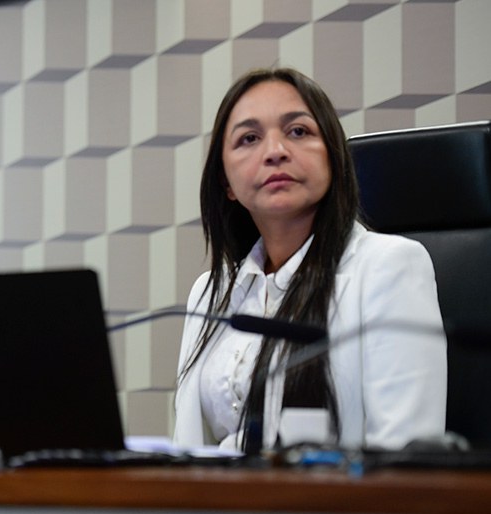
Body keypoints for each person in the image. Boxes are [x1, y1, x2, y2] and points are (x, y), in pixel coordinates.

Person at [173, 68, 446, 453]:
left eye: (298, 131)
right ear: (226, 183)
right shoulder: (209, 293)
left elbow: (405, 457)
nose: (275, 151)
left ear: (333, 157)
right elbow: (188, 447)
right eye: (249, 138)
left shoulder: (390, 267)